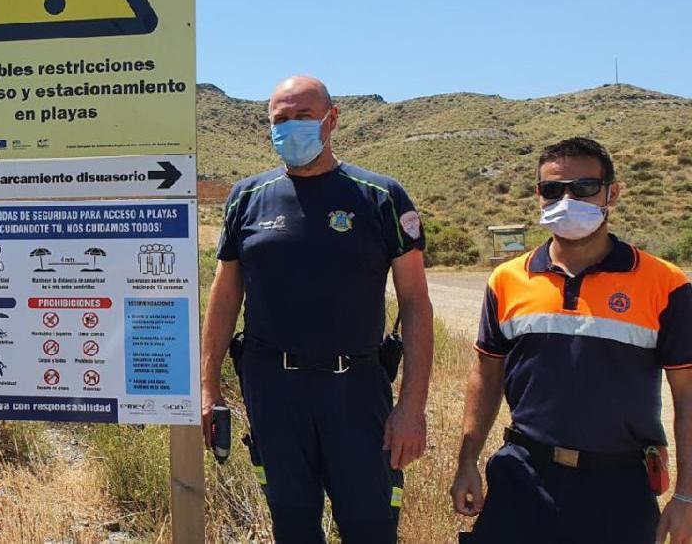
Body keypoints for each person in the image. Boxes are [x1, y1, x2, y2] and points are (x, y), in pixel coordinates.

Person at [201, 75, 433, 543]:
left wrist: (412, 406)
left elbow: (415, 302)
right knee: (292, 526)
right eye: (279, 120)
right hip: (273, 391)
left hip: (357, 392)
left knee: (370, 528)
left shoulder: (381, 197)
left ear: (331, 120)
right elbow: (226, 294)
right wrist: (208, 388)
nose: (290, 128)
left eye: (303, 117)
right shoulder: (246, 198)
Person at [450, 137, 692, 544]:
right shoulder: (508, 279)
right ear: (538, 196)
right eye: (552, 189)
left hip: (619, 486)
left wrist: (685, 495)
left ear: (612, 193)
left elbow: (686, 395)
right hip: (523, 474)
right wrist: (467, 460)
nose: (567, 199)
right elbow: (486, 375)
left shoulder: (664, 283)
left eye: (583, 188)